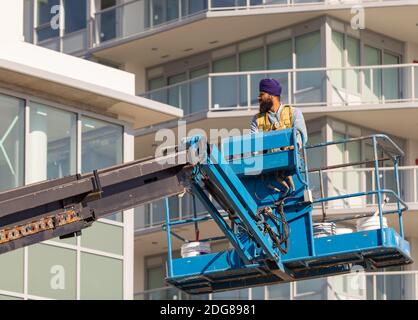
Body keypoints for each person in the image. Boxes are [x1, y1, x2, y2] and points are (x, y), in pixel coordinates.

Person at [250, 78, 308, 195]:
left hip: (292, 168)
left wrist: (293, 148)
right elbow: (253, 146)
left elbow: (301, 136)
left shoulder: (294, 112)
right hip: (267, 173)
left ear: (271, 96)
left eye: (262, 94)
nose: (258, 98)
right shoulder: (256, 120)